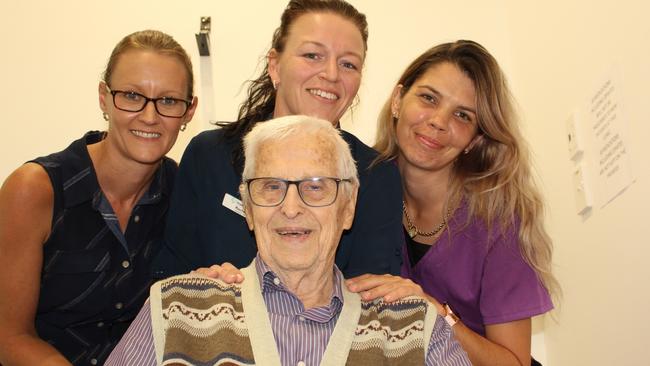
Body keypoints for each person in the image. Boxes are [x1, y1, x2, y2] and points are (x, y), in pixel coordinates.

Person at [105, 115, 470, 366]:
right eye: (270, 187)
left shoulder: (413, 330)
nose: (290, 207)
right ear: (248, 208)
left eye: (315, 187)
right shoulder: (175, 310)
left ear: (348, 207)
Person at [152, 0, 403, 280]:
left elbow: (371, 298)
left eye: (348, 64)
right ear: (275, 66)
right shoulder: (209, 157)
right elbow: (171, 277)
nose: (331, 74)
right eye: (312, 55)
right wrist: (198, 283)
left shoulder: (376, 177)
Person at [346, 40, 561, 366]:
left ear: (474, 139)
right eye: (428, 98)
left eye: (462, 115)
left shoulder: (498, 221)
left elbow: (513, 362)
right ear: (397, 100)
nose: (438, 121)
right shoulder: (356, 187)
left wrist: (435, 312)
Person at [0, 30, 197, 365]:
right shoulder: (35, 189)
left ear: (188, 112)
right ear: (104, 97)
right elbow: (8, 338)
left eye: (168, 101)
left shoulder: (183, 191)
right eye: (132, 96)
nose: (150, 116)